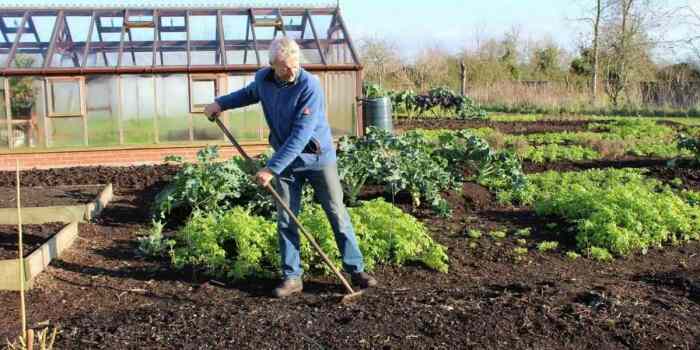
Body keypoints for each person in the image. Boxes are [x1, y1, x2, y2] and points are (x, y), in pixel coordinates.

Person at [202, 37, 377, 298]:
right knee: (286, 217)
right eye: (285, 66)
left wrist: (271, 169)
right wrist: (220, 103)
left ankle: (356, 269)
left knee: (336, 213)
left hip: (318, 159)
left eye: (295, 64)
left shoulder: (310, 86)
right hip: (286, 161)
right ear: (273, 65)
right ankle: (292, 276)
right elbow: (249, 94)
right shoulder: (264, 80)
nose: (292, 70)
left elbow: (300, 136)